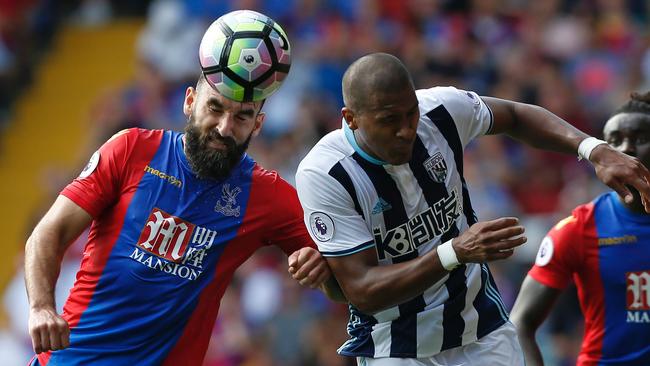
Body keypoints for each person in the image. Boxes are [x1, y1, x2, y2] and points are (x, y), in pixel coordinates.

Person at [290, 53, 650, 366]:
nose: (406, 130)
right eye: (388, 120)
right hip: (396, 349)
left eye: (410, 114)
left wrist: (594, 149)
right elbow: (362, 289)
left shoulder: (441, 110)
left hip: (483, 331)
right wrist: (454, 252)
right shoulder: (325, 173)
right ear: (351, 118)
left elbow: (515, 115)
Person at [24, 18, 332, 366]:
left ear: (258, 125)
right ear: (190, 101)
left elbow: (344, 273)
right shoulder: (131, 150)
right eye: (214, 108)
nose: (224, 127)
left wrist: (323, 269)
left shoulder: (267, 196)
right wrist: (41, 308)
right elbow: (47, 234)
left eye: (242, 117)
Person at [510, 91, 650, 365]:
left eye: (641, 139)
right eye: (614, 142)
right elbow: (520, 324)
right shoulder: (580, 228)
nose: (626, 149)